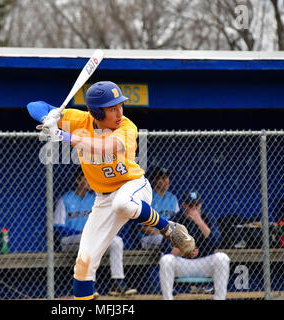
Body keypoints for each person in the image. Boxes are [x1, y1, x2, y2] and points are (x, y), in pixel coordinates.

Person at [27, 81, 194, 300]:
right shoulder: (80, 120)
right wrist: (48, 118)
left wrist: (64, 136)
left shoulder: (127, 127)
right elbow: (34, 104)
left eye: (119, 106)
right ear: (96, 112)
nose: (119, 112)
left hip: (133, 187)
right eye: (112, 108)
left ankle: (169, 228)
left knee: (122, 203)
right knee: (83, 265)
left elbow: (101, 147)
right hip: (102, 199)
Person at [54, 167, 137, 297]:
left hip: (92, 239)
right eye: (86, 178)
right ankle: (87, 286)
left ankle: (117, 282)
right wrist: (78, 232)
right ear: (77, 181)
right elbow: (57, 228)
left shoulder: (95, 199)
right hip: (70, 240)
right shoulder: (65, 200)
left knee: (116, 241)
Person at [159, 191, 230, 300]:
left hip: (203, 263)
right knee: (166, 260)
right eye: (190, 206)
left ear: (200, 205)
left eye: (196, 205)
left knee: (222, 258)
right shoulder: (176, 220)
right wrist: (184, 249)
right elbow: (166, 250)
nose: (193, 209)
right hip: (183, 264)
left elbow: (216, 242)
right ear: (183, 205)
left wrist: (199, 221)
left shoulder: (207, 217)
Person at [140, 167, 180, 250]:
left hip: (169, 236)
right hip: (150, 237)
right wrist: (164, 235)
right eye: (162, 178)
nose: (166, 181)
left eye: (167, 178)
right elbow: (144, 228)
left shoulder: (173, 198)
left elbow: (178, 222)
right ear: (154, 181)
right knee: (166, 241)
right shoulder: (148, 198)